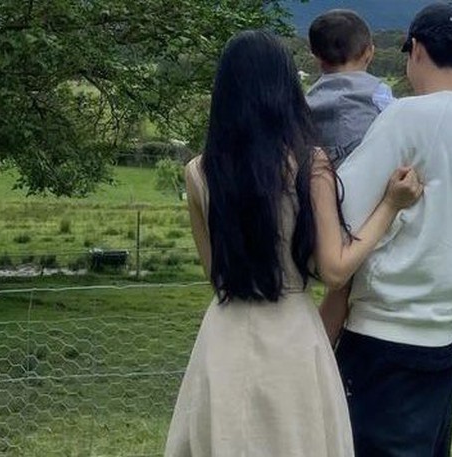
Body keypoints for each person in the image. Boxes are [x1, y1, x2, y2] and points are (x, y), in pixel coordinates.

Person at [164, 30, 423, 457]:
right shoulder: (309, 163)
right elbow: (335, 269)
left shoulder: (198, 172)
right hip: (291, 338)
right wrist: (390, 206)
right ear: (284, 88)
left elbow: (216, 274)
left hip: (223, 335)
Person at [321, 4, 452, 456]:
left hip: (386, 340)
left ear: (416, 50)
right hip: (448, 337)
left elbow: (342, 210)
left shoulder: (408, 116)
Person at [306, 9, 394, 167]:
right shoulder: (378, 92)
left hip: (323, 177)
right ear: (369, 52)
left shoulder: (307, 101)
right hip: (372, 172)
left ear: (315, 57)